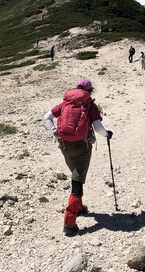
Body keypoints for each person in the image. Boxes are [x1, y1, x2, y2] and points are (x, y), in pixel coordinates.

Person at [44, 77, 113, 236]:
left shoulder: (65, 103)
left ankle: (79, 207)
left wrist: (55, 133)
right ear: (89, 91)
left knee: (75, 174)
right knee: (77, 180)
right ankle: (69, 222)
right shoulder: (90, 105)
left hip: (64, 146)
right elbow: (98, 128)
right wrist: (108, 134)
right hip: (82, 147)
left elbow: (46, 117)